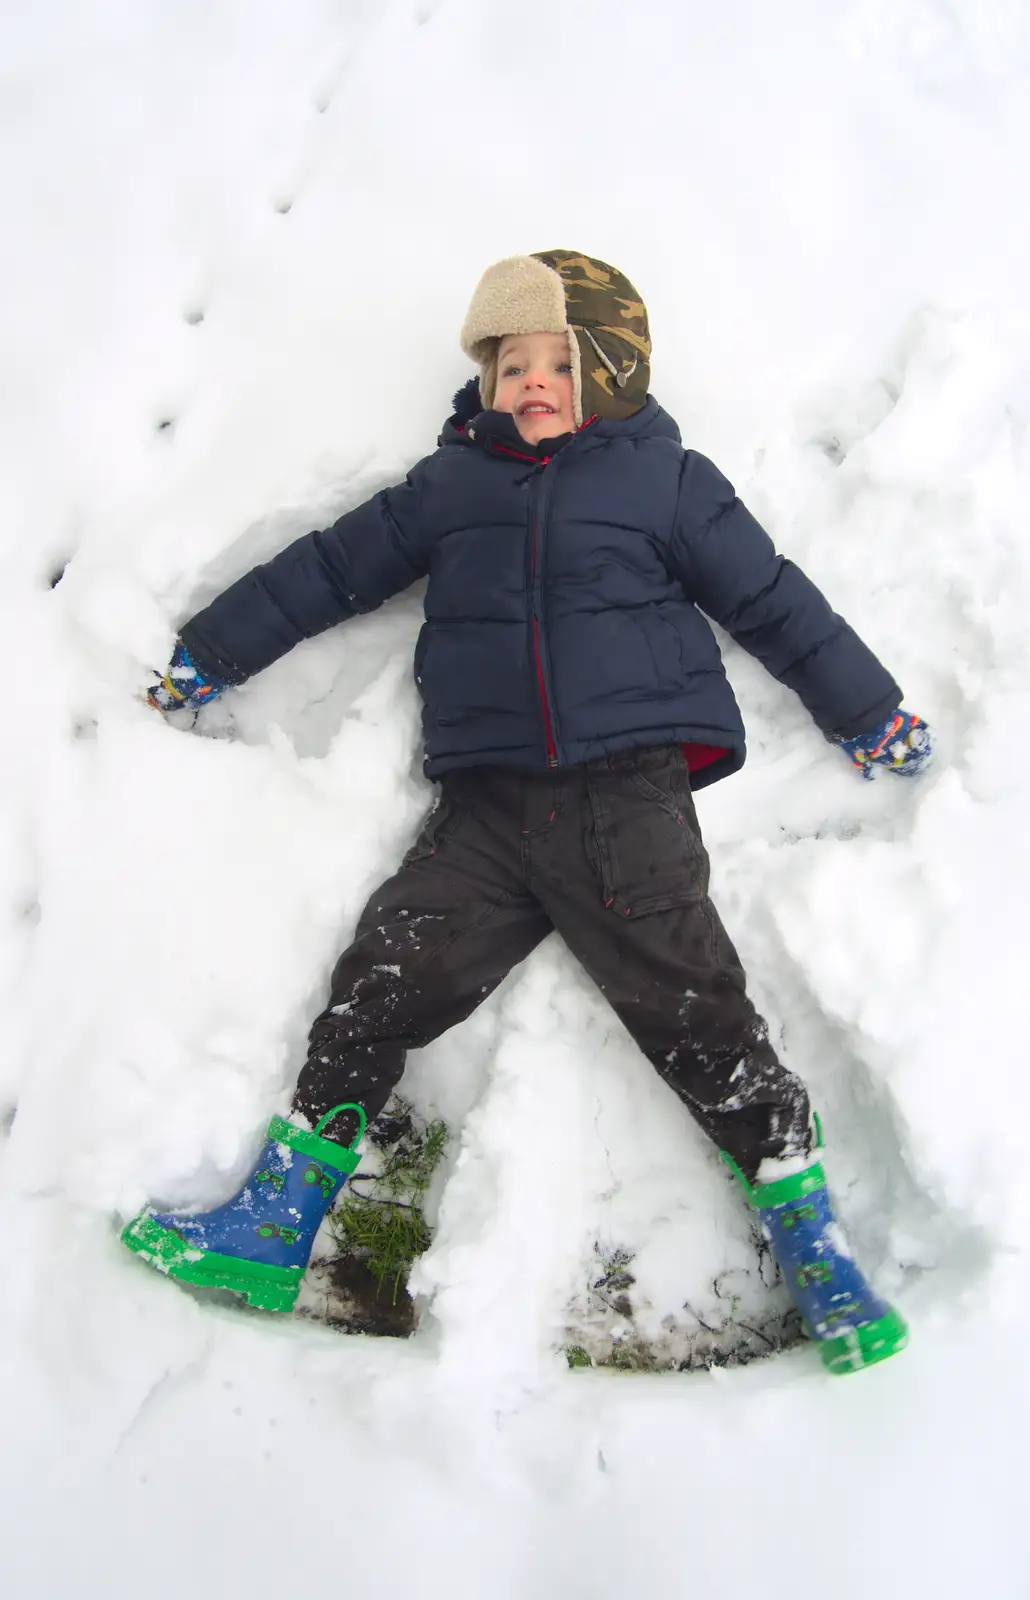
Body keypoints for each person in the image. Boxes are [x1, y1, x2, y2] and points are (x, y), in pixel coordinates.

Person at [122, 251, 931, 1373]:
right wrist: (212, 651)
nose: (533, 383)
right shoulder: (448, 488)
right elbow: (327, 570)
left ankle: (818, 1253)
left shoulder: (665, 483)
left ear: (612, 371)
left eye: (560, 362)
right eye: (510, 365)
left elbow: (771, 597)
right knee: (379, 981)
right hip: (488, 812)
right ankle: (272, 1221)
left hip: (625, 803)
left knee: (700, 1017)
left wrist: (864, 707)